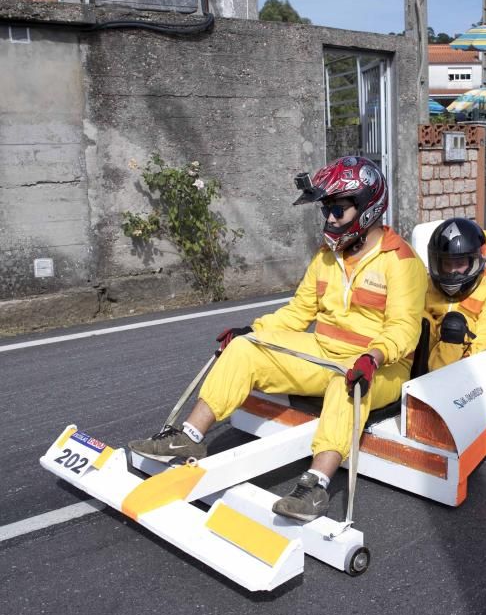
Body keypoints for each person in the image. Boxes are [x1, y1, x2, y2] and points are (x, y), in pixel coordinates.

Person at [127, 157, 426, 522]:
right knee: (244, 349)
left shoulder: (402, 262)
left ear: (367, 207)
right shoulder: (326, 257)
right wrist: (253, 330)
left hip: (381, 366)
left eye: (337, 209)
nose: (329, 218)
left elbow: (404, 328)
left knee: (344, 384)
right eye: (326, 210)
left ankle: (316, 486)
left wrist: (374, 356)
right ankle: (187, 435)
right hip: (324, 352)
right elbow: (298, 312)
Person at [424, 218, 486, 372]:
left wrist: (461, 349)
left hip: (467, 365)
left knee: (454, 325)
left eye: (459, 264)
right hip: (423, 359)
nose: (452, 271)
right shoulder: (428, 283)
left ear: (476, 260)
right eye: (447, 264)